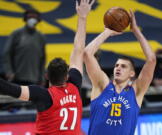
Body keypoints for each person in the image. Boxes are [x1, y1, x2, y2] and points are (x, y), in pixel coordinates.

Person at [0, 0, 94, 134]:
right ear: (67, 76)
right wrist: (83, 17)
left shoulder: (44, 95)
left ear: (46, 76)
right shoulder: (75, 84)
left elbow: (8, 88)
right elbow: (78, 49)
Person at [83, 10, 156, 135]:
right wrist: (107, 32)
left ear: (132, 73)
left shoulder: (136, 91)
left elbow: (151, 60)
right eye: (116, 65)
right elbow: (87, 53)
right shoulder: (102, 85)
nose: (118, 68)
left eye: (123, 66)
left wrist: (136, 31)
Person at [2, 9, 46, 85]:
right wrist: (9, 71)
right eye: (30, 17)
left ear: (38, 20)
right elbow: (7, 54)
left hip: (34, 79)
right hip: (16, 77)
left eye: (34, 17)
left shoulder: (40, 37)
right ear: (25, 19)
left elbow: (42, 59)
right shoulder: (16, 34)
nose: (32, 19)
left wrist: (41, 77)